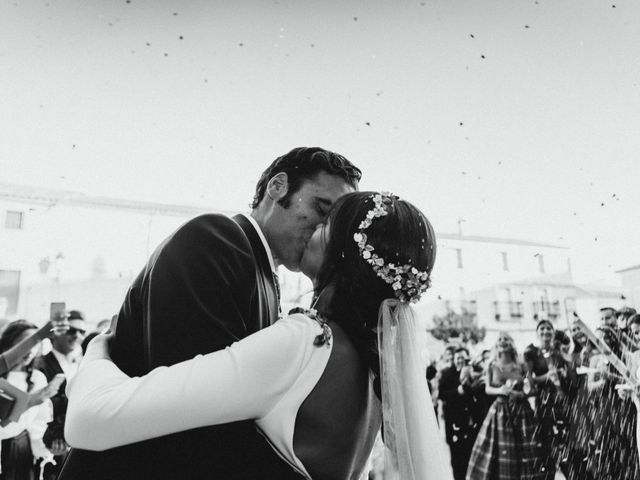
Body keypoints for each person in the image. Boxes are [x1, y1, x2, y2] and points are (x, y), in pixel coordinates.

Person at [65, 192, 453, 480]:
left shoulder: (308, 342)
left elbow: (91, 420)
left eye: (325, 224)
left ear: (343, 250)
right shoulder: (375, 367)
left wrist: (98, 351)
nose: (313, 230)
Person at [59, 147, 361, 480]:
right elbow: (189, 410)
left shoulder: (261, 273)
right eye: (321, 208)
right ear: (278, 187)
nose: (323, 231)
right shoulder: (218, 238)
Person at [465, 332, 545, 480]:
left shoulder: (521, 365)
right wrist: (501, 390)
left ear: (511, 343)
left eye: (506, 339)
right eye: (500, 339)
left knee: (527, 449)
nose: (503, 342)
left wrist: (522, 394)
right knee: (501, 448)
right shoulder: (492, 365)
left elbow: (531, 389)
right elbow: (488, 389)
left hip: (521, 411)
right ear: (496, 345)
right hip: (500, 410)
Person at [33, 310, 86, 480]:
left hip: (77, 448)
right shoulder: (39, 365)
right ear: (56, 333)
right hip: (47, 449)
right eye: (71, 330)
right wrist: (52, 439)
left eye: (81, 332)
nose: (76, 336)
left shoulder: (84, 364)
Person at [0, 320, 55, 480]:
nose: (30, 350)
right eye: (25, 342)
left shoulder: (37, 377)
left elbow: (37, 422)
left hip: (20, 450)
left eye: (36, 343)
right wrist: (31, 401)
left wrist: (41, 449)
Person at [438, 347, 478, 480]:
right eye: (458, 358)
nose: (460, 360)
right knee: (457, 461)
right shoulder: (447, 374)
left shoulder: (474, 372)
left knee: (471, 459)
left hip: (471, 424)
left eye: (463, 357)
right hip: (454, 423)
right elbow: (441, 395)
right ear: (454, 360)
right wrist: (457, 391)